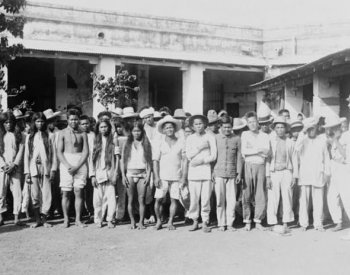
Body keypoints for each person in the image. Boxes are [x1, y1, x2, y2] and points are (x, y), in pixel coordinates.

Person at [295, 117, 330, 231]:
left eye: (313, 128)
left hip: (318, 174)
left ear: (316, 128)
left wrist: (326, 172)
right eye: (309, 129)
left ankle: (318, 224)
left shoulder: (322, 140)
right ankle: (304, 223)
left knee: (318, 200)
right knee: (304, 200)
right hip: (305, 174)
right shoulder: (302, 139)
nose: (311, 131)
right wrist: (303, 132)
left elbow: (326, 157)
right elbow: (296, 149)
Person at [153, 115, 187, 230]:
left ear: (175, 129)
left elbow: (184, 160)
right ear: (163, 130)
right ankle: (158, 221)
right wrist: (156, 177)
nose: (169, 130)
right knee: (159, 199)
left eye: (171, 127)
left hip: (176, 176)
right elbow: (155, 161)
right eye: (167, 128)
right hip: (162, 176)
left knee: (174, 199)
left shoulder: (181, 142)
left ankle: (171, 221)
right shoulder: (160, 143)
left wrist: (183, 176)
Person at [24, 112, 57, 228]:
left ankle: (45, 219)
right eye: (37, 121)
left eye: (42, 121)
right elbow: (26, 155)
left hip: (46, 168)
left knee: (47, 194)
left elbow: (54, 155)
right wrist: (27, 172)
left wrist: (53, 169)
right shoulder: (30, 137)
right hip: (33, 168)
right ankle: (37, 219)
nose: (40, 123)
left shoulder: (50, 135)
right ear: (34, 122)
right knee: (35, 194)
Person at [57, 109, 89, 228]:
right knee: (65, 193)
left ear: (79, 120)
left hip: (79, 162)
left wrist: (77, 166)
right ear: (67, 120)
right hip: (66, 162)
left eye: (76, 119)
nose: (74, 121)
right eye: (71, 119)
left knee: (78, 191)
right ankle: (66, 219)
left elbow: (86, 152)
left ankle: (78, 219)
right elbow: (59, 152)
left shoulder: (83, 133)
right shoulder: (62, 133)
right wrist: (67, 166)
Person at [186, 114, 217, 232]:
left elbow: (213, 156)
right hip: (193, 173)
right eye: (196, 124)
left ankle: (205, 222)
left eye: (200, 123)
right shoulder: (190, 138)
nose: (198, 126)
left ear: (204, 124)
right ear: (192, 126)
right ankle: (194, 221)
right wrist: (200, 148)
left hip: (205, 171)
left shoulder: (210, 137)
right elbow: (189, 155)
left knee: (205, 198)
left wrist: (202, 160)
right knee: (193, 199)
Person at [266, 116, 298, 231]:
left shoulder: (290, 142)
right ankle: (273, 222)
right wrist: (268, 176)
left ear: (285, 129)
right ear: (274, 129)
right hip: (274, 172)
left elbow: (294, 159)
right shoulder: (271, 141)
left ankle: (286, 221)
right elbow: (268, 159)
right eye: (277, 127)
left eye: (282, 127)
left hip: (286, 172)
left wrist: (295, 176)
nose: (280, 129)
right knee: (273, 198)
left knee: (287, 197)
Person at [241, 111, 270, 231]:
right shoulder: (245, 134)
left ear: (258, 122)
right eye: (250, 122)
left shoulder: (264, 135)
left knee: (260, 194)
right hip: (248, 165)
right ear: (247, 124)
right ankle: (247, 221)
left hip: (260, 166)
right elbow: (244, 152)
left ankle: (258, 220)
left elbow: (266, 152)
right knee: (246, 194)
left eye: (254, 121)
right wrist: (258, 150)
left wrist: (252, 149)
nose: (252, 124)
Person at [120, 120, 152, 229]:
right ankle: (132, 222)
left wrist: (148, 175)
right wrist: (123, 176)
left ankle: (141, 222)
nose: (136, 133)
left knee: (141, 198)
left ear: (142, 131)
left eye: (138, 131)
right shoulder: (127, 143)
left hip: (142, 174)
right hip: (129, 173)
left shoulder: (146, 143)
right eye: (134, 131)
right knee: (130, 199)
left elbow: (149, 161)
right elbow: (122, 161)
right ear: (131, 132)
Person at [213, 116, 242, 231]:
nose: (227, 129)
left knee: (231, 200)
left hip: (232, 173)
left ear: (232, 127)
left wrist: (239, 173)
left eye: (229, 127)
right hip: (218, 172)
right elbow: (213, 156)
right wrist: (212, 171)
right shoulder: (216, 138)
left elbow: (239, 157)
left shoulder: (237, 138)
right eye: (224, 127)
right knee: (220, 200)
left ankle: (230, 223)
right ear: (220, 127)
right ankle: (221, 223)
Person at [90, 119, 118, 228]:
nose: (103, 129)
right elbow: (91, 160)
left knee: (110, 198)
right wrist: (92, 175)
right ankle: (98, 219)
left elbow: (117, 158)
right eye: (101, 127)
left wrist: (115, 173)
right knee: (97, 199)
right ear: (98, 128)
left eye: (105, 127)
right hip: (98, 173)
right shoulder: (95, 141)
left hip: (109, 172)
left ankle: (110, 219)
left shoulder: (113, 141)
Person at [0, 112, 25, 226]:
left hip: (15, 168)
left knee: (17, 192)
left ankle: (17, 216)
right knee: (1, 192)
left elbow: (21, 151)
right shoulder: (1, 135)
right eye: (6, 122)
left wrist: (14, 164)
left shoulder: (19, 135)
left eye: (10, 122)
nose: (8, 124)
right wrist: (3, 165)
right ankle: (0, 216)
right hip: (2, 168)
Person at [324, 116, 345, 232]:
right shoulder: (330, 139)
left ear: (339, 127)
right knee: (332, 196)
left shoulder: (346, 136)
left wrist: (336, 140)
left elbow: (345, 155)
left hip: (345, 168)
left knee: (346, 197)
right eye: (329, 128)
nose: (331, 130)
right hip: (334, 168)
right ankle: (338, 222)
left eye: (333, 128)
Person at [80, 115, 95, 222]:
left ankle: (92, 212)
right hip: (80, 166)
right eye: (83, 124)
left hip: (91, 165)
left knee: (90, 191)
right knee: (80, 191)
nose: (85, 125)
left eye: (87, 123)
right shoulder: (78, 135)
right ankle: (80, 213)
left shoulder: (93, 135)